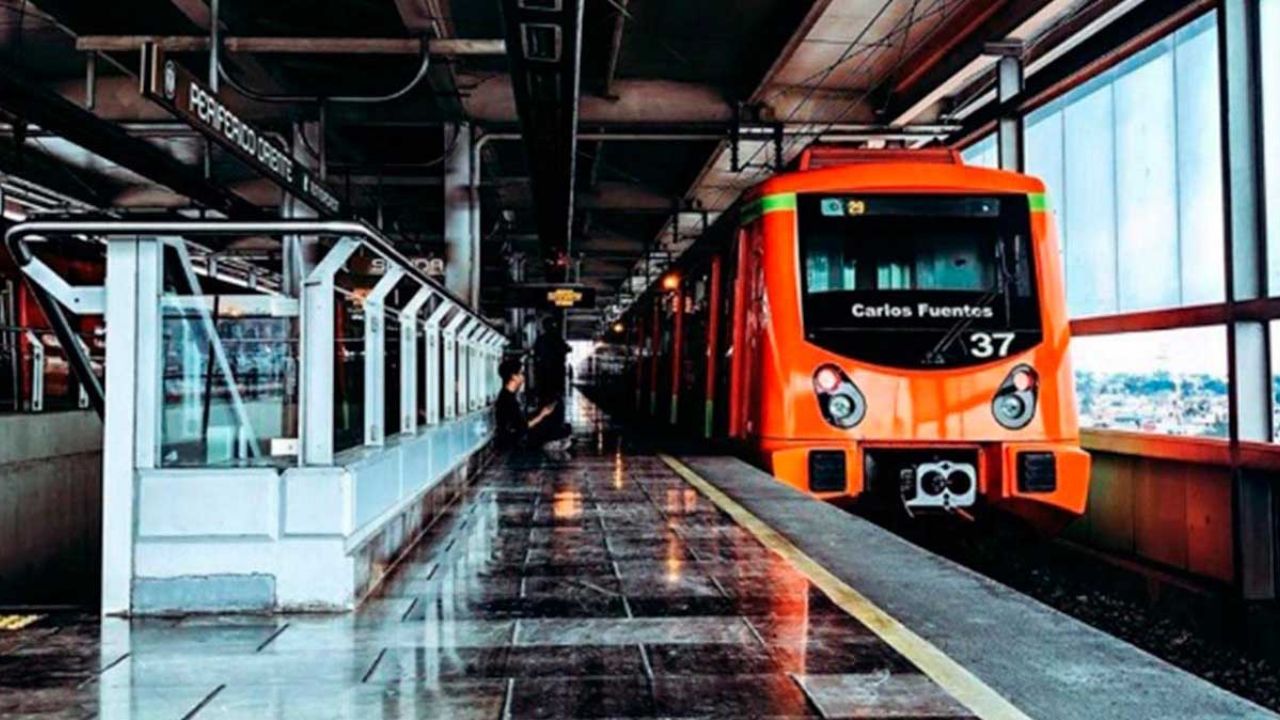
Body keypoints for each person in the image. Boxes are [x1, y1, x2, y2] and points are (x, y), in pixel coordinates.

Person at [494, 357, 572, 452]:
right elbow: (522, 427)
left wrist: (541, 413)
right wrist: (542, 414)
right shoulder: (508, 399)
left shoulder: (507, 395)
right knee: (557, 429)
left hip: (513, 438)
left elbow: (518, 420)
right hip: (515, 441)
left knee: (562, 428)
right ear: (514, 376)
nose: (524, 377)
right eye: (521, 373)